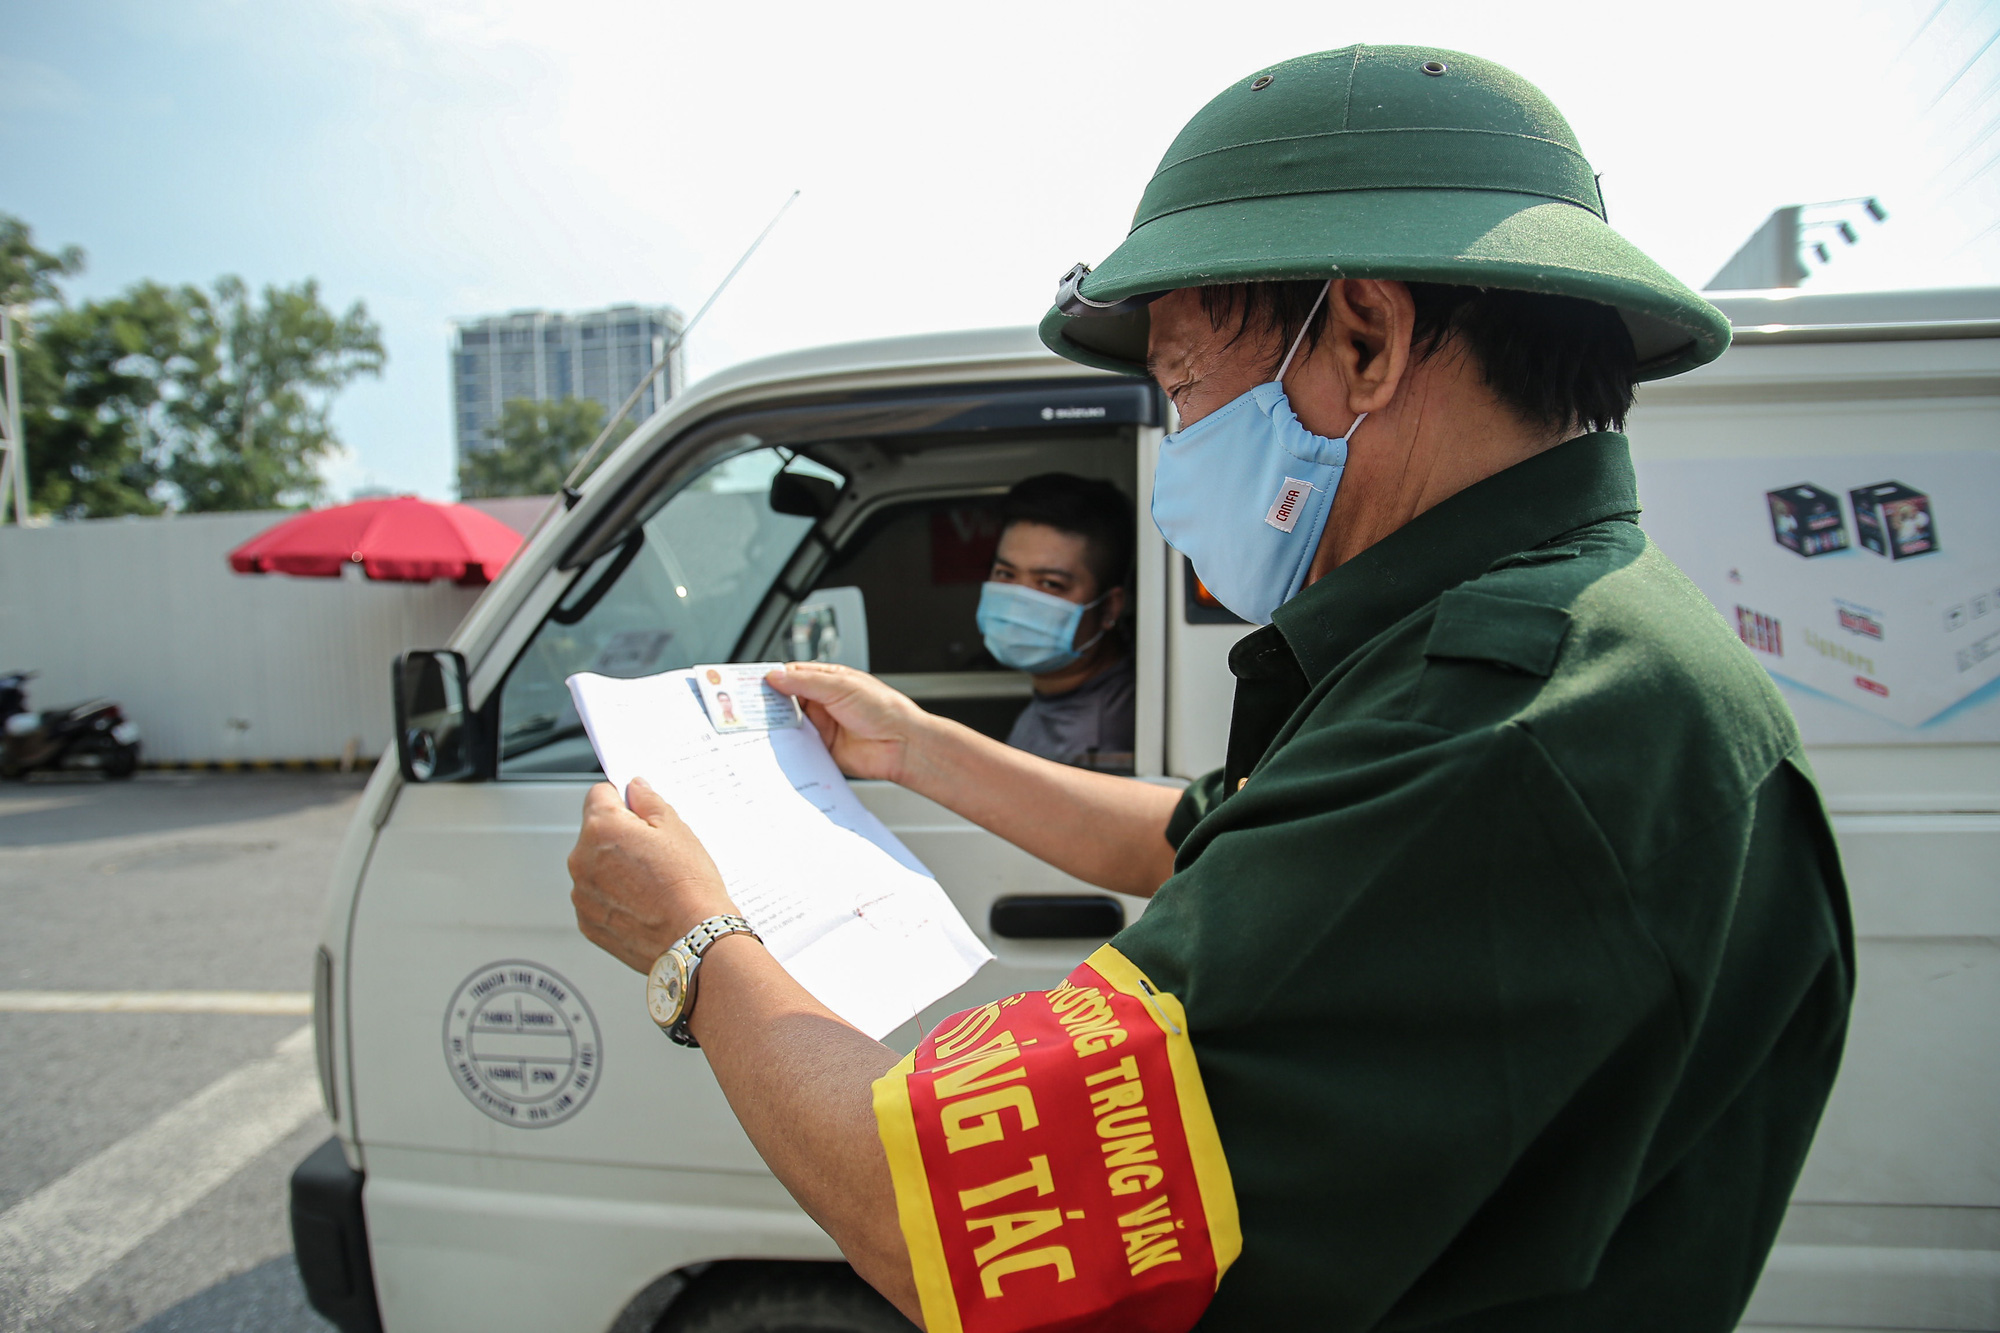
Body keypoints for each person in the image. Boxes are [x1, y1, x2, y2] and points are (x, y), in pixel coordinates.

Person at [568, 46, 1852, 1333]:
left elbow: (941, 1214)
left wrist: (694, 938)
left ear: (1364, 338)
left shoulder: (1512, 721)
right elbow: (1215, 844)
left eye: (1180, 385)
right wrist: (917, 748)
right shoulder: (1546, 637)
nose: (1177, 449)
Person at [977, 473, 1136, 770]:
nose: (1019, 601)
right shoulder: (1059, 690)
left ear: (1110, 608)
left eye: (1050, 584)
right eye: (1005, 574)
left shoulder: (1098, 745)